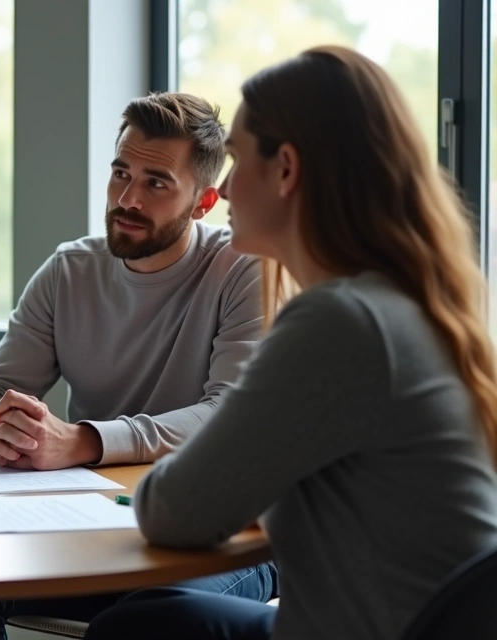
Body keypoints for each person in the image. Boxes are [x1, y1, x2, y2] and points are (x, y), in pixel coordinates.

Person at [82, 46, 497, 640]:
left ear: (286, 170)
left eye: (235, 159)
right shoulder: (401, 305)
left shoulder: (340, 322)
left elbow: (173, 510)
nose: (222, 192)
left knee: (139, 629)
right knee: (154, 619)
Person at [0, 91, 277, 639]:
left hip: (223, 535)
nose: (128, 198)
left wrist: (83, 441)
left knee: (143, 621)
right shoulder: (70, 270)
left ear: (204, 202)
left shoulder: (243, 270)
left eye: (156, 183)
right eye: (121, 173)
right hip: (96, 524)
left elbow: (229, 417)